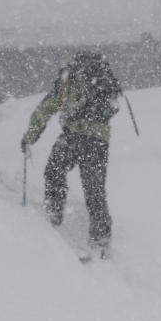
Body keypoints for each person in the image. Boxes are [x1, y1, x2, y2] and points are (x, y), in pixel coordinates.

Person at [20, 51, 121, 255]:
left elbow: (44, 110)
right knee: (95, 189)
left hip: (73, 136)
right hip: (99, 140)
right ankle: (101, 237)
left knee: (54, 170)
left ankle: (54, 211)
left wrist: (29, 137)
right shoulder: (103, 80)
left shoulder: (68, 78)